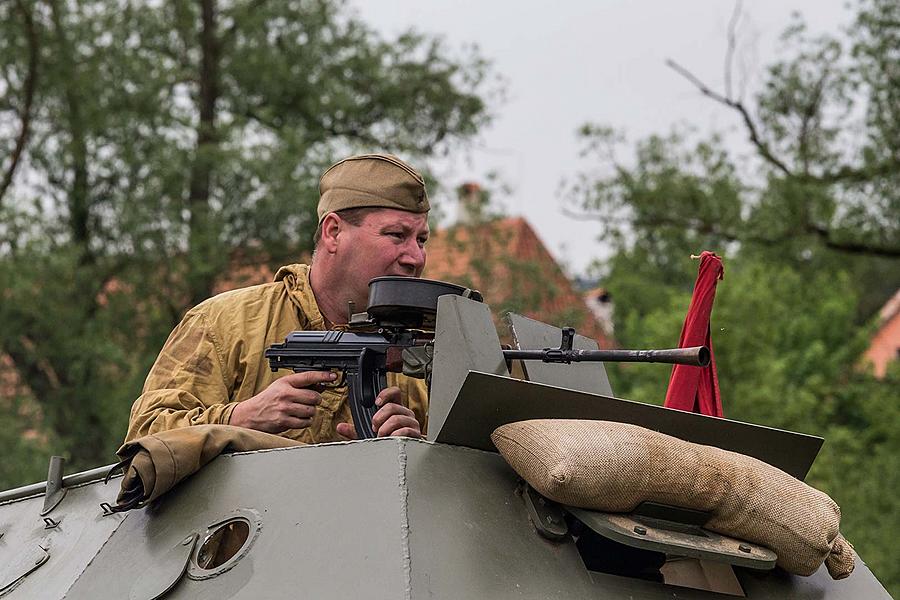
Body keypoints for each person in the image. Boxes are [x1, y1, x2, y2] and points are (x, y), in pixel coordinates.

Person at [124, 154, 430, 445]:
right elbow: (146, 437)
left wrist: (410, 451)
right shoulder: (225, 325)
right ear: (334, 232)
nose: (415, 258)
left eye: (421, 240)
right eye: (396, 235)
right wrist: (240, 417)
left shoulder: (416, 358)